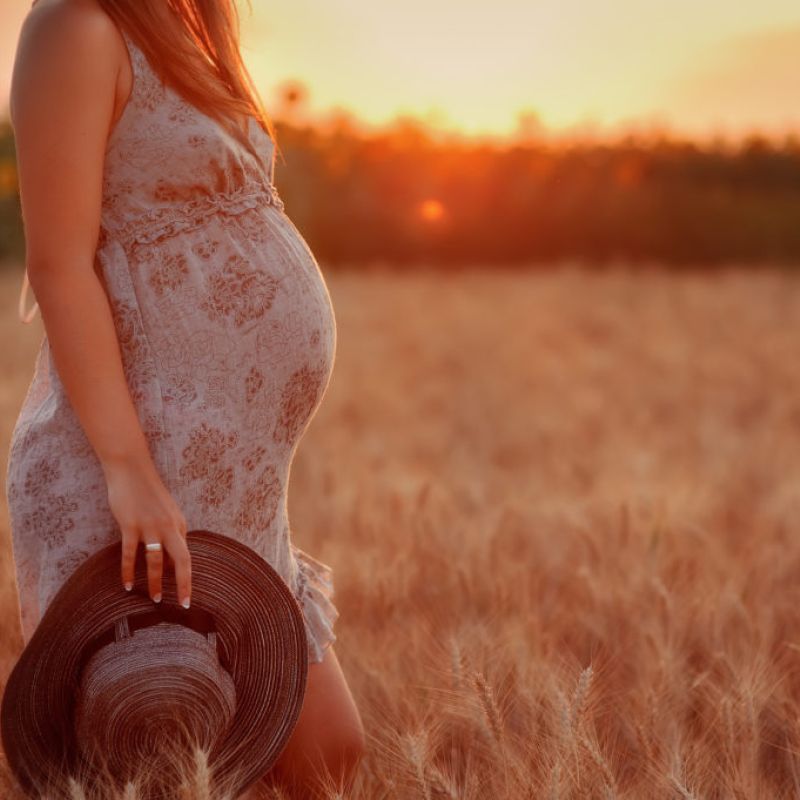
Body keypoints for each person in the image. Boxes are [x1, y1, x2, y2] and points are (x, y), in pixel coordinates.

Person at [6, 0, 365, 796]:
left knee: (324, 754)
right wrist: (128, 466)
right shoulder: (75, 26)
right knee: (158, 763)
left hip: (235, 488)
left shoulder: (182, 26)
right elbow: (59, 267)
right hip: (143, 467)